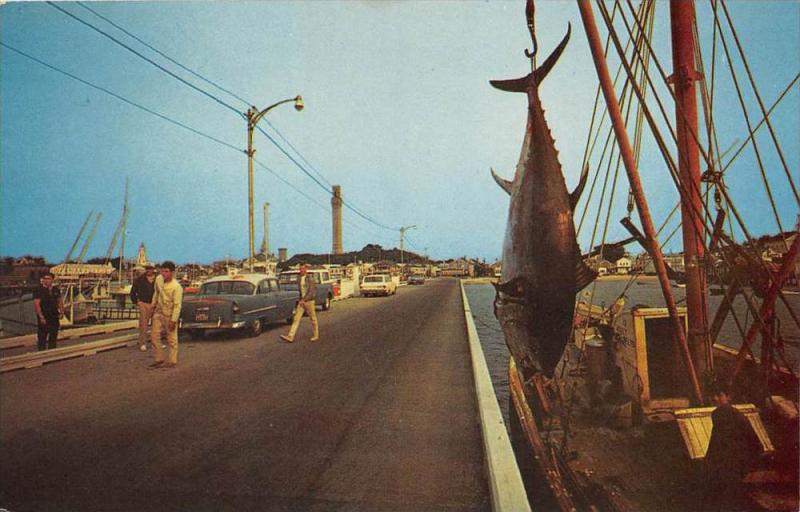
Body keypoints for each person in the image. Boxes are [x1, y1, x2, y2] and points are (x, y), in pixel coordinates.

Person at [703, 382, 761, 511]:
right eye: (712, 395)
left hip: (729, 463)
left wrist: (708, 459)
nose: (715, 398)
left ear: (728, 397)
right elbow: (755, 442)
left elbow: (716, 440)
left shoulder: (719, 413)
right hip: (738, 462)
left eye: (719, 395)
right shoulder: (737, 414)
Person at [148, 261, 183, 369]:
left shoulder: (176, 287)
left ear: (172, 272)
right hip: (158, 311)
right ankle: (159, 359)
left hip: (170, 313)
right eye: (162, 271)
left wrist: (173, 320)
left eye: (166, 271)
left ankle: (172, 361)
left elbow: (177, 305)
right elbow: (156, 293)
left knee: (171, 339)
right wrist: (152, 307)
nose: (164, 274)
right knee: (154, 336)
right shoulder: (158, 279)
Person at [280, 264, 319, 343]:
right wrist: (301, 300)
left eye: (302, 269)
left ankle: (316, 335)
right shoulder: (299, 278)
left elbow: (311, 292)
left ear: (306, 269)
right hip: (302, 301)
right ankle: (290, 336)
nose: (301, 270)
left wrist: (304, 300)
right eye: (300, 269)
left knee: (313, 319)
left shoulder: (310, 279)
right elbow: (301, 291)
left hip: (309, 301)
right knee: (296, 318)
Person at [33, 272, 64, 351]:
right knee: (42, 336)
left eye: (48, 279)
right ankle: (41, 353)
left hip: (54, 316)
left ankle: (52, 353)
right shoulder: (38, 290)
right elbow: (37, 304)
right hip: (44, 316)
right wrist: (41, 317)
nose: (46, 280)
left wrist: (61, 312)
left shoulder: (55, 290)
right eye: (45, 279)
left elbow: (59, 301)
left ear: (52, 280)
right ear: (42, 280)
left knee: (53, 335)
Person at [130, 265, 157, 351]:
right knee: (143, 325)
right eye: (147, 269)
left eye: (150, 269)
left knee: (156, 325)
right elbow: (133, 292)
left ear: (153, 269)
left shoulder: (158, 279)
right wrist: (137, 302)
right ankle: (143, 343)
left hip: (155, 304)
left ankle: (155, 344)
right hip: (144, 304)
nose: (149, 270)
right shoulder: (140, 279)